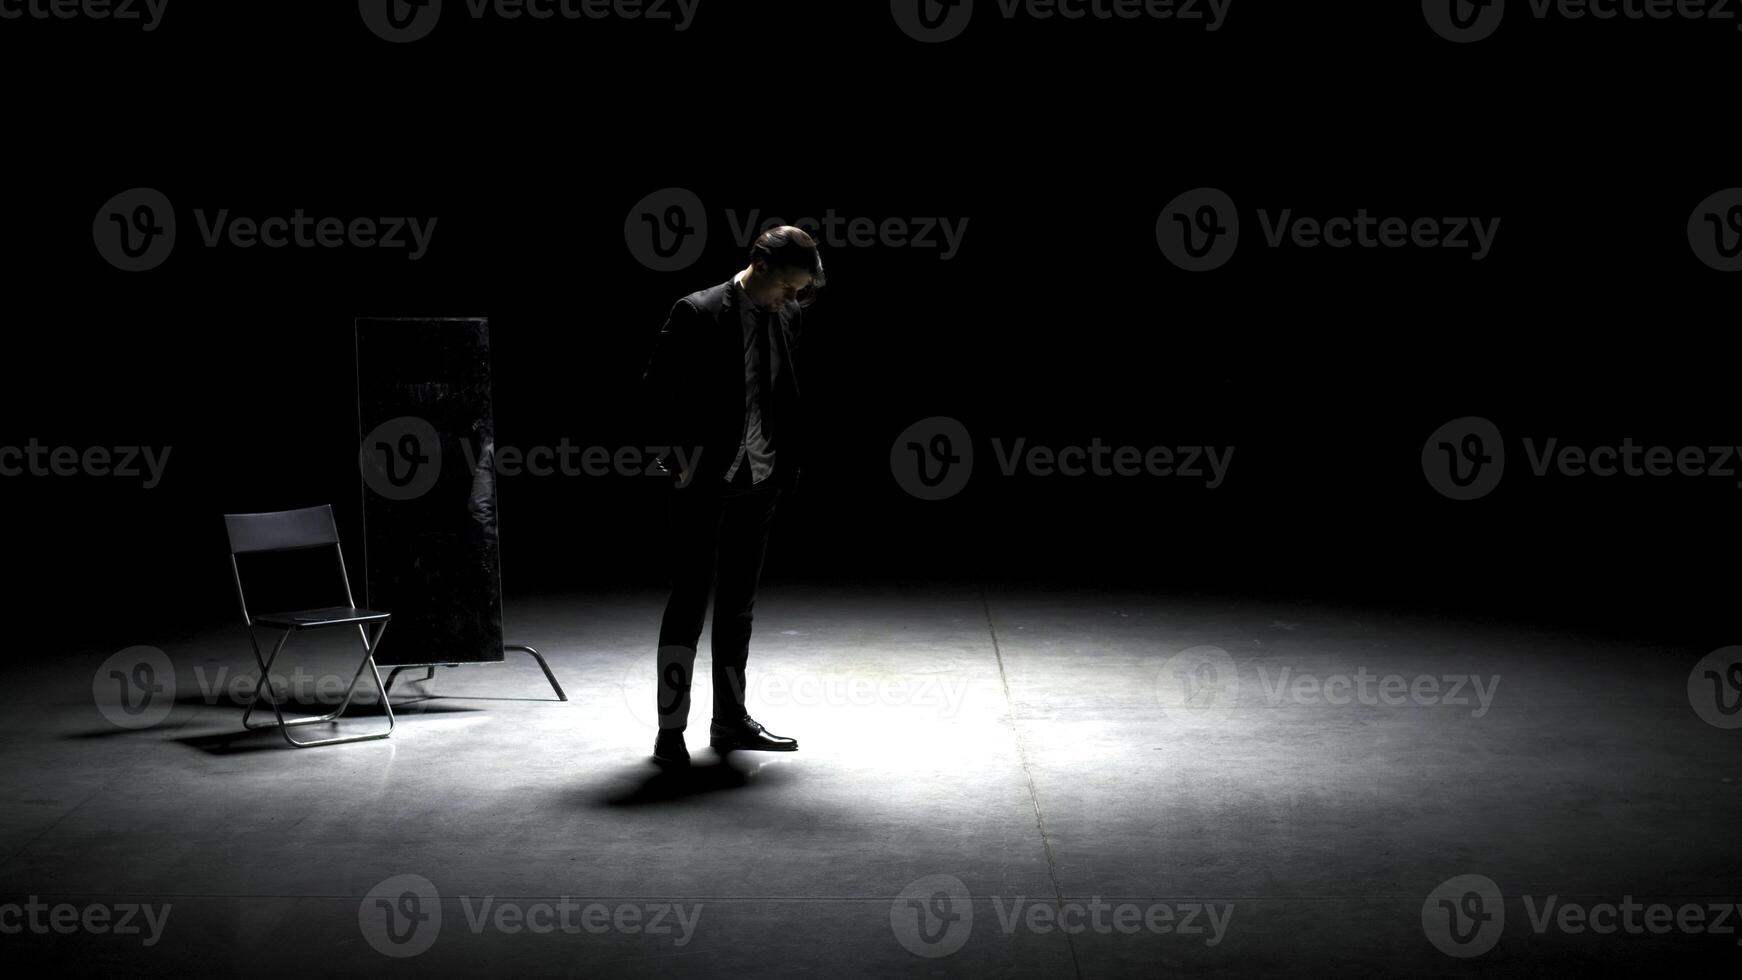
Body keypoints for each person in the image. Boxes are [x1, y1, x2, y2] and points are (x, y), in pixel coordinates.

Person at [639, 225, 824, 766]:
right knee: (689, 603)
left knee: (738, 608)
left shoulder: (788, 313)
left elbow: (786, 392)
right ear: (760, 265)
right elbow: (655, 389)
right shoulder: (696, 312)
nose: (795, 298)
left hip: (762, 477)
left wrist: (787, 460)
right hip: (704, 479)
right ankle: (669, 730)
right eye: (789, 286)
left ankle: (729, 722)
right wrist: (674, 460)